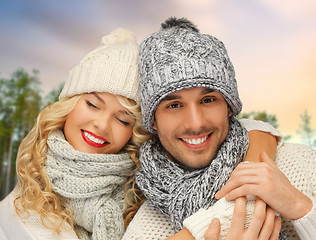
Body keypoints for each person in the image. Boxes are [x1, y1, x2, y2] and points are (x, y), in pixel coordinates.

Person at [122, 17, 316, 240]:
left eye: (208, 100)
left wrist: (303, 209)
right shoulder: (144, 230)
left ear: (229, 107)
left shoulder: (299, 167)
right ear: (153, 120)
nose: (196, 123)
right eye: (174, 105)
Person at [0, 28, 151, 240]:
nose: (102, 125)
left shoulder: (147, 203)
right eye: (92, 104)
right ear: (69, 104)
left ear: (133, 133)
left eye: (123, 120)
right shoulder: (15, 210)